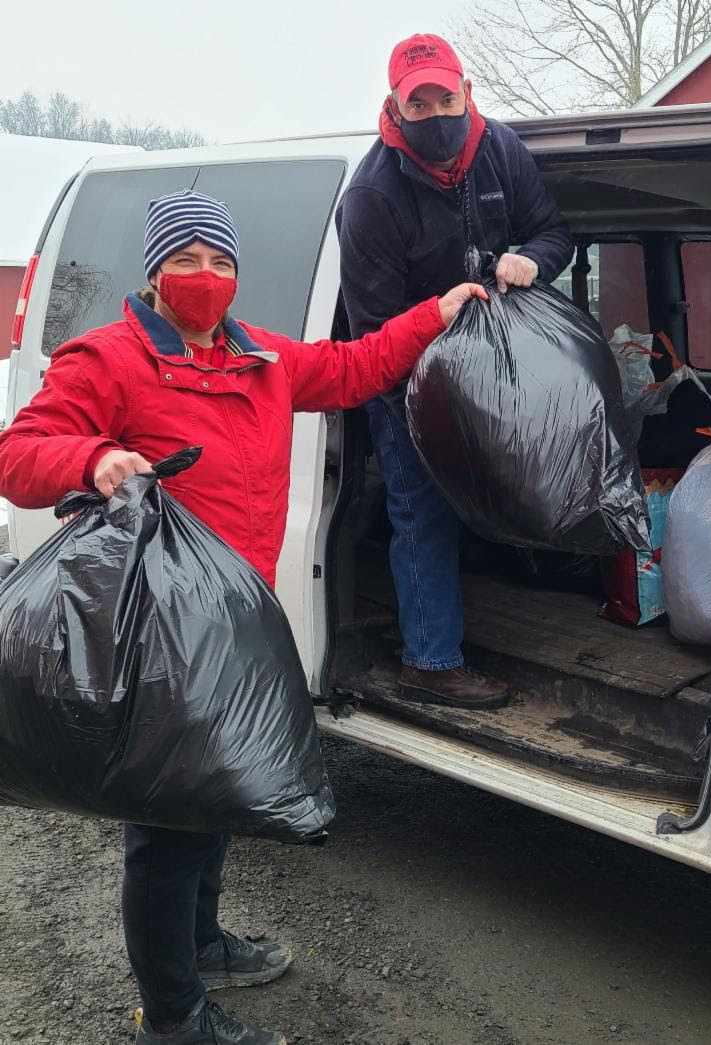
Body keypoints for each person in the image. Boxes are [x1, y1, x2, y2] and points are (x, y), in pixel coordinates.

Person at [0, 190, 485, 1045]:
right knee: (167, 825)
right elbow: (18, 455)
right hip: (157, 628)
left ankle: (205, 944)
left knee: (215, 794)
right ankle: (173, 1015)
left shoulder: (260, 357)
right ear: (155, 272)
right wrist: (96, 457)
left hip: (237, 617)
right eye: (185, 260)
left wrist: (435, 313)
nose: (205, 277)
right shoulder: (108, 360)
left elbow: (357, 366)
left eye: (220, 262)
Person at [337, 33, 573, 710]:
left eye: (446, 95)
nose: (437, 113)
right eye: (420, 103)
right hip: (409, 378)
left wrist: (533, 259)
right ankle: (431, 659)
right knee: (422, 507)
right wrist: (436, 395)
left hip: (499, 365)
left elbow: (554, 231)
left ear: (467, 92)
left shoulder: (499, 148)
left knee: (520, 476)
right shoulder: (372, 196)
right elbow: (373, 337)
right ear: (396, 108)